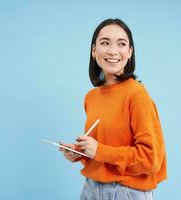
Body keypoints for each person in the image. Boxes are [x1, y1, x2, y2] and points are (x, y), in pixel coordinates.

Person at [59, 18, 167, 200]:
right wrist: (81, 152)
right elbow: (104, 152)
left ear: (129, 52)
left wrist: (99, 150)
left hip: (126, 192)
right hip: (91, 189)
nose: (112, 51)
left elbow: (150, 159)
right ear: (94, 51)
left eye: (121, 44)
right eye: (105, 43)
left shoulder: (136, 94)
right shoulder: (91, 97)